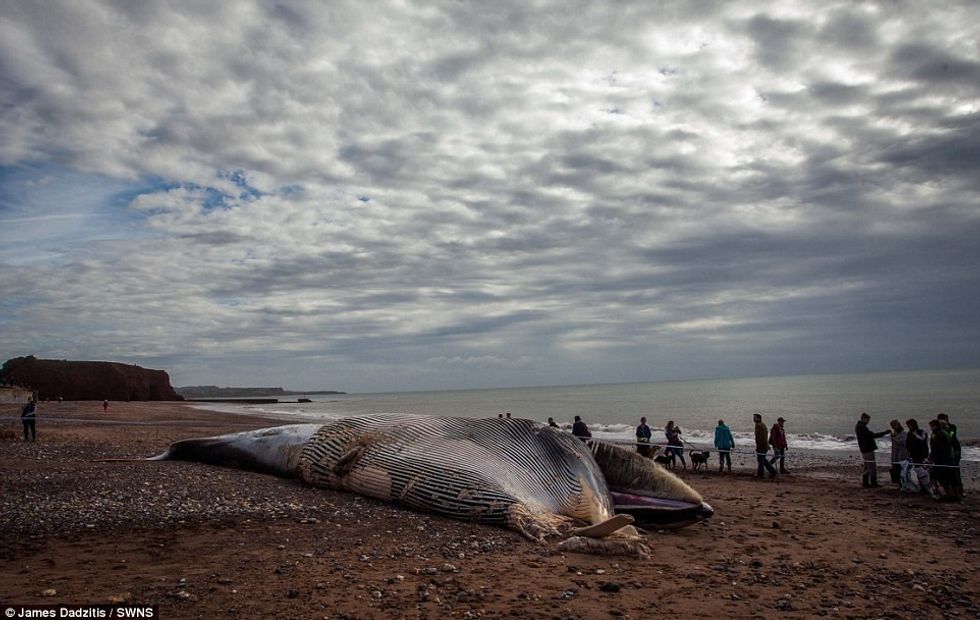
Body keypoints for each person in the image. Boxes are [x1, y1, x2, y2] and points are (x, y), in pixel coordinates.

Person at [855, 412, 889, 488]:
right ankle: (873, 483)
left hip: (864, 449)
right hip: (867, 449)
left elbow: (869, 435)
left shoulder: (859, 426)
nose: (868, 422)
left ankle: (865, 483)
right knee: (871, 466)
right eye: (868, 420)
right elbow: (872, 435)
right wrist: (884, 433)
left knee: (866, 466)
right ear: (864, 419)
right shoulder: (862, 427)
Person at [928, 419, 959, 501]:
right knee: (950, 477)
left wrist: (933, 455)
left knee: (943, 477)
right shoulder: (943, 432)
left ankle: (950, 494)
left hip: (943, 459)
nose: (930, 428)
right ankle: (954, 494)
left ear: (935, 426)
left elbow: (942, 447)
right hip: (946, 458)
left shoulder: (940, 434)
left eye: (931, 426)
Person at [937, 413, 963, 498]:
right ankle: (950, 491)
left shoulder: (952, 427)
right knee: (947, 473)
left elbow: (951, 437)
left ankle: (960, 491)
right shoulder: (939, 430)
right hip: (946, 455)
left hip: (953, 453)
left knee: (955, 473)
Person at [754, 414, 777, 479]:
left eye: (755, 418)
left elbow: (762, 437)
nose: (753, 419)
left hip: (762, 446)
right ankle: (773, 472)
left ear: (759, 418)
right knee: (763, 460)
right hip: (762, 445)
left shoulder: (759, 425)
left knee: (761, 460)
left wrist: (763, 446)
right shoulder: (761, 425)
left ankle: (760, 475)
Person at [888, 419, 908, 487]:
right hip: (895, 453)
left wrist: (894, 438)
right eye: (892, 426)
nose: (893, 427)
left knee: (900, 470)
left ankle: (902, 484)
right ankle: (899, 484)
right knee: (895, 469)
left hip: (901, 454)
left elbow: (903, 442)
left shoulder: (903, 433)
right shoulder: (894, 433)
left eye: (894, 426)